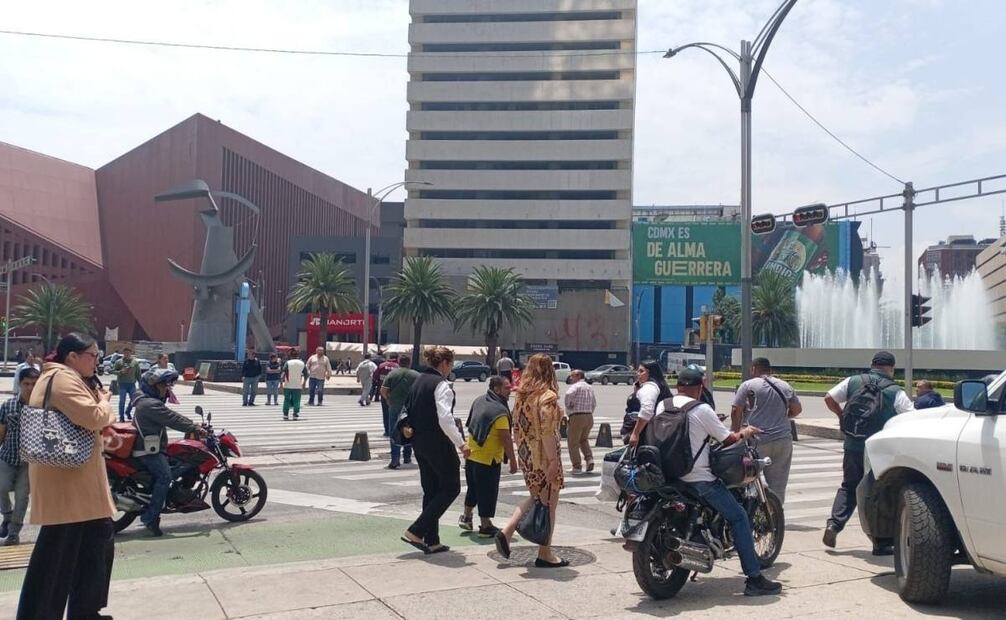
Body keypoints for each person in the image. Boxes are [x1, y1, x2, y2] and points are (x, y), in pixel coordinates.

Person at [18, 333, 117, 620]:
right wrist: (106, 402)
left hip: (76, 487)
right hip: (70, 488)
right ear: (71, 356)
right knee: (56, 562)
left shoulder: (60, 377)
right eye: (93, 355)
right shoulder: (62, 379)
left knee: (92, 549)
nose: (97, 361)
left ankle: (86, 612)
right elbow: (94, 417)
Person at [664, 367, 782, 596]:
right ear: (700, 388)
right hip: (698, 479)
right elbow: (729, 439)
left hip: (671, 476)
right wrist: (746, 432)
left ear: (678, 386)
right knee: (738, 517)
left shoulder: (665, 405)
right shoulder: (701, 408)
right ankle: (754, 579)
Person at [823, 350, 914, 553]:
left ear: (872, 364)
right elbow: (911, 417)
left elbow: (828, 397)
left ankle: (834, 524)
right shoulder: (894, 391)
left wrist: (841, 415)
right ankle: (880, 543)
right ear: (891, 368)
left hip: (852, 446)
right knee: (878, 495)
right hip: (878, 452)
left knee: (848, 487)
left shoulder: (854, 381)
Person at [494, 354, 568, 567]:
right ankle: (545, 553)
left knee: (537, 496)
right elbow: (547, 431)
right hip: (544, 457)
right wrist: (553, 461)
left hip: (527, 456)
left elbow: (515, 427)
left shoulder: (521, 396)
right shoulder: (548, 397)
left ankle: (507, 531)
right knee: (549, 504)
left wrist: (521, 451)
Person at [401, 347, 468, 554]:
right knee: (451, 488)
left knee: (431, 491)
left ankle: (432, 540)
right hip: (438, 443)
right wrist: (461, 443)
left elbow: (408, 408)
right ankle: (416, 530)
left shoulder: (418, 380)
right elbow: (445, 419)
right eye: (451, 364)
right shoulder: (442, 385)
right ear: (445, 363)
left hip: (419, 443)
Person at [131, 368, 203, 536]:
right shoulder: (150, 404)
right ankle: (150, 517)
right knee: (165, 477)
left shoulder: (145, 401)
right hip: (147, 451)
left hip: (152, 446)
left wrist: (194, 425)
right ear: (152, 387)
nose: (166, 389)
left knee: (180, 461)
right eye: (163, 386)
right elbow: (173, 419)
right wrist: (195, 428)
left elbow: (172, 416)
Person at [730, 357, 802, 503]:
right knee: (778, 485)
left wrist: (736, 432)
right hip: (782, 440)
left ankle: (752, 513)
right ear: (769, 369)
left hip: (757, 440)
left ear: (754, 369)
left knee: (748, 480)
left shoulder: (748, 385)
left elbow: (736, 410)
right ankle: (776, 518)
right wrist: (783, 417)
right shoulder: (785, 385)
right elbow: (797, 409)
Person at [460, 376, 516, 537]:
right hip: (488, 457)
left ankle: (466, 516)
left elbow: (470, 423)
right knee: (487, 492)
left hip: (472, 453)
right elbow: (505, 437)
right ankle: (485, 526)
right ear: (497, 389)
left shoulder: (479, 400)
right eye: (506, 387)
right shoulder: (499, 411)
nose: (510, 390)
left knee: (473, 488)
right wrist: (513, 460)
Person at [0, 366, 39, 546]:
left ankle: (14, 532)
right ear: (20, 384)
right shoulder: (8, 405)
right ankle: (7, 516)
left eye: (34, 383)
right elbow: (2, 432)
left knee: (22, 497)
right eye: (26, 383)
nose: (30, 387)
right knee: (1, 487)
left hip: (29, 462)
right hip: (8, 456)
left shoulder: (42, 408)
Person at [380, 354, 418, 469]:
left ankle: (395, 460)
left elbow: (383, 390)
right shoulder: (416, 375)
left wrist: (388, 399)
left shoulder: (392, 374)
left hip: (395, 406)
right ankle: (407, 457)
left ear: (399, 362)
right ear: (409, 362)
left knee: (395, 431)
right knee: (409, 430)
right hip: (411, 407)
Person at [626, 360, 674, 448]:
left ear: (650, 373)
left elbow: (647, 411)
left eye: (641, 371)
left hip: (647, 435)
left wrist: (635, 433)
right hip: (659, 432)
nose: (638, 374)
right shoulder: (659, 386)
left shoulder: (650, 387)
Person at [563, 369, 597, 473]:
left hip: (577, 416)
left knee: (573, 442)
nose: (571, 378)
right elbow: (594, 403)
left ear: (578, 376)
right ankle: (589, 459)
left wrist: (569, 405)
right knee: (583, 439)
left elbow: (568, 394)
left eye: (572, 376)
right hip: (589, 416)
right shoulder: (589, 387)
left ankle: (577, 466)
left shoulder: (575, 386)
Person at [112, 346, 141, 422]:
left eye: (128, 352)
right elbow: (113, 371)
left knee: (134, 400)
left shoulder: (135, 362)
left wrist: (140, 383)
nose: (127, 354)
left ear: (131, 353)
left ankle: (128, 411)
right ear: (123, 353)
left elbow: (138, 373)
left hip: (132, 384)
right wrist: (120, 372)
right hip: (122, 384)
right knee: (122, 400)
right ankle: (121, 417)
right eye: (125, 353)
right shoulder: (119, 362)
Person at [375, 352, 400, 435]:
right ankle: (394, 431)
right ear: (397, 358)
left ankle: (387, 431)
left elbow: (375, 377)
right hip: (396, 394)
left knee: (385, 413)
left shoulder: (382, 365)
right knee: (397, 414)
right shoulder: (398, 367)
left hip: (384, 393)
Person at [281, 349, 308, 421]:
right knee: (297, 400)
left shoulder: (288, 363)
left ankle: (285, 414)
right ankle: (295, 414)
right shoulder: (302, 363)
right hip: (297, 386)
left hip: (288, 385)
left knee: (286, 400)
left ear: (290, 356)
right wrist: (304, 383)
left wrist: (281, 384)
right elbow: (306, 374)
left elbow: (283, 374)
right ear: (297, 355)